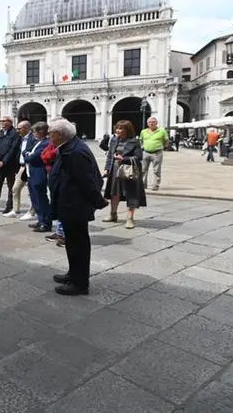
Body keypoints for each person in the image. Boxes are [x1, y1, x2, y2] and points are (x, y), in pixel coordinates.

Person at [48, 116, 108, 295]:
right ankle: (73, 274)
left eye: (51, 134)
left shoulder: (75, 151)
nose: (50, 137)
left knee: (79, 244)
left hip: (75, 205)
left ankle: (80, 283)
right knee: (72, 242)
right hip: (69, 203)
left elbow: (86, 180)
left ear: (59, 134)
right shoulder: (69, 147)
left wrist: (98, 201)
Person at [103, 119, 146, 229]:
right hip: (115, 169)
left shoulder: (134, 141)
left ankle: (130, 218)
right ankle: (113, 214)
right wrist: (107, 168)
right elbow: (110, 155)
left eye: (121, 128)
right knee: (114, 192)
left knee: (131, 193)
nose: (118, 130)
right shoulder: (113, 140)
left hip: (129, 170)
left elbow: (139, 157)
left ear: (128, 130)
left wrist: (124, 158)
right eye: (117, 128)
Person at [23, 122, 52, 232]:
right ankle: (40, 220)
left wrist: (28, 156)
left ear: (41, 131)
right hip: (31, 173)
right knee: (34, 198)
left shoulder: (46, 143)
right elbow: (25, 152)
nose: (33, 134)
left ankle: (46, 222)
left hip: (39, 173)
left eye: (35, 131)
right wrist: (27, 154)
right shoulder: (37, 142)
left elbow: (34, 157)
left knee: (41, 199)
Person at [139, 116, 168, 190]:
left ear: (156, 123)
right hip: (145, 152)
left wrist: (162, 147)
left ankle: (155, 185)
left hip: (157, 153)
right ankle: (143, 184)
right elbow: (141, 140)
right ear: (147, 123)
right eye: (150, 122)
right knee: (143, 169)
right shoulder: (143, 131)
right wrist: (142, 147)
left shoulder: (162, 131)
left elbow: (166, 141)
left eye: (153, 122)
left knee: (156, 170)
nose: (151, 123)